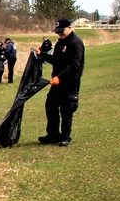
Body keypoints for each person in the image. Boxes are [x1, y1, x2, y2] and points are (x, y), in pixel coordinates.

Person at [36, 17, 85, 147]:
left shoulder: (76, 44)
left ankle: (65, 136)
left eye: (61, 31)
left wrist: (60, 77)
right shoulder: (59, 44)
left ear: (69, 28)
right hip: (57, 83)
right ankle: (53, 134)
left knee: (66, 109)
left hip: (69, 83)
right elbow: (56, 60)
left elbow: (74, 65)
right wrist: (42, 54)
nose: (59, 34)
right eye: (57, 32)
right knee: (50, 105)